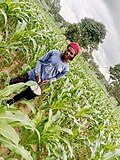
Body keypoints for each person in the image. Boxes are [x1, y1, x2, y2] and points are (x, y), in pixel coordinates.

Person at [6, 42, 81, 104]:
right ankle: (4, 91)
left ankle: (8, 103)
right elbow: (40, 61)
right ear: (66, 48)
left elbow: (56, 77)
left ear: (72, 57)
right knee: (15, 81)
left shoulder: (65, 68)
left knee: (22, 95)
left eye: (71, 53)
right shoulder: (54, 52)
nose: (68, 53)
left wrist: (50, 80)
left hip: (38, 83)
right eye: (68, 50)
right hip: (32, 74)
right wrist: (37, 73)